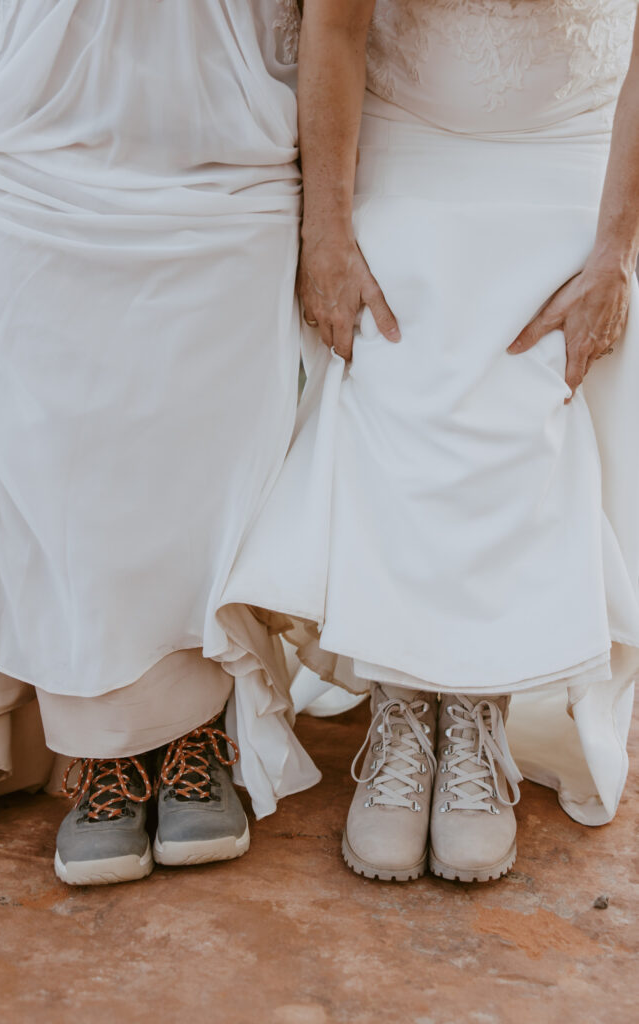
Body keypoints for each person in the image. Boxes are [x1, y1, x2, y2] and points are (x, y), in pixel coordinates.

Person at [221, 0, 639, 882]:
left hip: (574, 143)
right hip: (405, 131)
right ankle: (405, 700)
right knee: (402, 342)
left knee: (527, 369)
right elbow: (336, 24)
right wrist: (325, 233)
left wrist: (614, 251)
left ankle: (475, 708)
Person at [0, 0, 320, 885]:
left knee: (208, 433)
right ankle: (105, 747)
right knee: (62, 446)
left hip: (229, 126)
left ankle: (197, 729)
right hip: (29, 120)